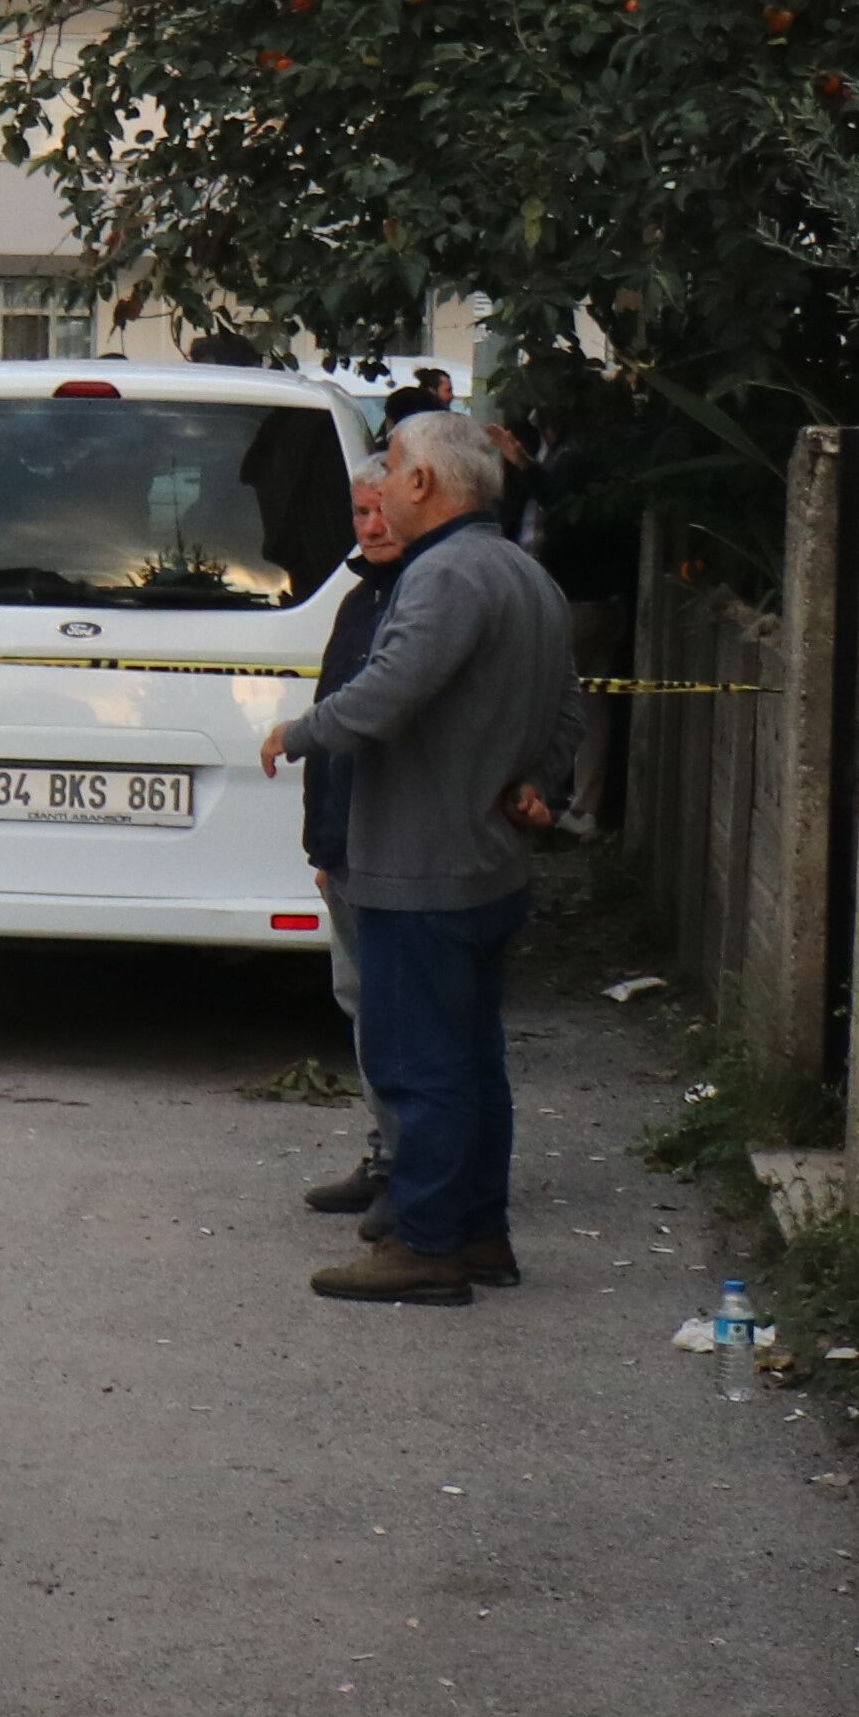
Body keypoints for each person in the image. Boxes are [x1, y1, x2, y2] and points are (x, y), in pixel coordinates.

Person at [254, 408, 584, 1305]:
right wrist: (539, 783)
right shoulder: (523, 572)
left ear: (423, 483)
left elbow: (387, 692)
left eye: (393, 467)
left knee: (418, 1066)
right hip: (487, 862)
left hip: (421, 865)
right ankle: (478, 1234)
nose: (383, 485)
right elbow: (568, 707)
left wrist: (298, 732)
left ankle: (428, 1245)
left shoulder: (443, 576)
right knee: (472, 1062)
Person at [296, 451, 411, 1226]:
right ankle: (386, 1155)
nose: (370, 527)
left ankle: (413, 1173)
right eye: (359, 513)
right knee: (362, 1004)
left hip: (398, 849)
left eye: (382, 511)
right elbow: (332, 726)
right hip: (347, 848)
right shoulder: (359, 600)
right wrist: (324, 848)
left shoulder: (422, 599)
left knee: (399, 1016)